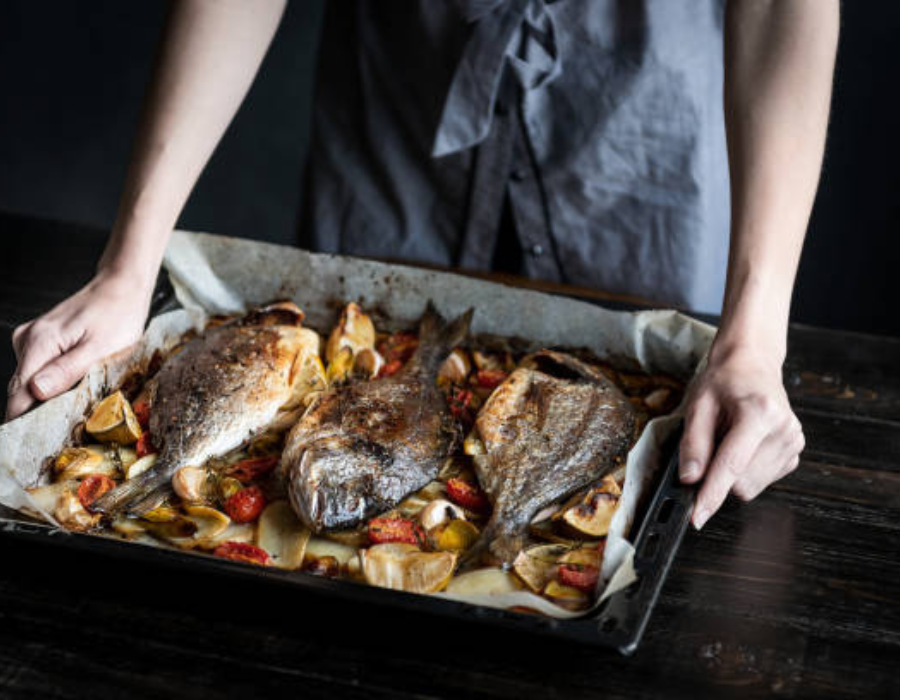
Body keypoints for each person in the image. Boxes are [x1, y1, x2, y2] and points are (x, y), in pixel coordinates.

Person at [5, 0, 838, 530]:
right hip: (406, 106)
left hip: (638, 127)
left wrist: (756, 339)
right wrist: (129, 266)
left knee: (629, 421)